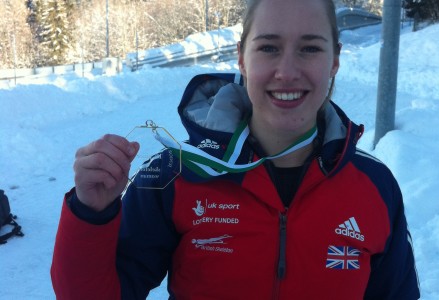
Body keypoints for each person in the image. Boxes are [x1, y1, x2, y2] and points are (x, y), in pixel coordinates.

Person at [51, 0, 420, 299]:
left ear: (335, 60)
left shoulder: (375, 186)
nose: (287, 71)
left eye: (309, 48)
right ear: (242, 57)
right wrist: (92, 213)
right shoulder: (175, 175)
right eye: (269, 48)